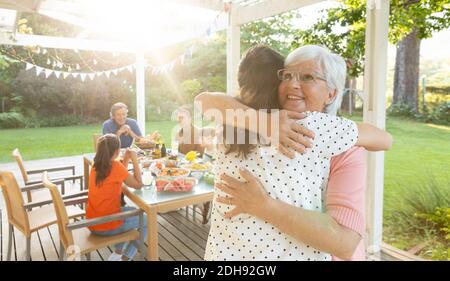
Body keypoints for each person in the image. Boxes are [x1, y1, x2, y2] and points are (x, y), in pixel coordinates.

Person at [196, 45, 392, 260]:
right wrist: (264, 122)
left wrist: (263, 206)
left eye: (308, 77)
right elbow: (384, 139)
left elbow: (345, 243)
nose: (292, 84)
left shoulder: (339, 144)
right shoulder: (254, 122)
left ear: (331, 93)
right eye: (287, 75)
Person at [86, 134, 145, 261]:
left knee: (129, 210)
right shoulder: (115, 166)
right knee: (146, 220)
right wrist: (134, 159)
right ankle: (125, 258)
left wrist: (126, 159)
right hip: (107, 224)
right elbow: (138, 185)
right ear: (117, 151)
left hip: (93, 222)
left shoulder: (96, 165)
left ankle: (117, 254)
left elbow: (118, 175)